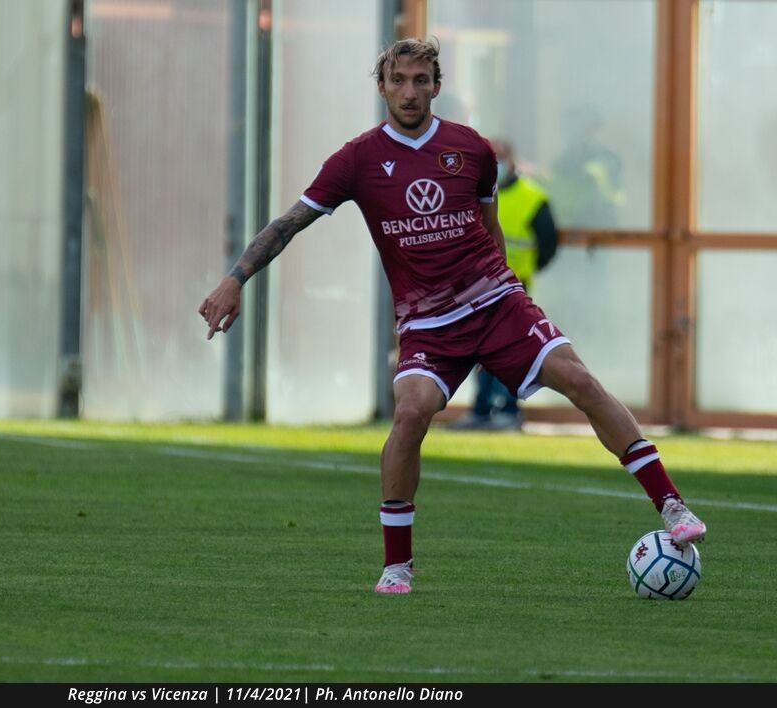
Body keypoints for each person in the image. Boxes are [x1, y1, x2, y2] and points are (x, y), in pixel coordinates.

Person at [198, 38, 706, 595]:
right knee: (411, 412)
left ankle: (672, 506)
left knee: (580, 379)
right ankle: (397, 566)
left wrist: (506, 289)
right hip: (428, 323)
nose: (410, 92)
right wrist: (234, 278)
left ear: (437, 86)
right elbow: (290, 221)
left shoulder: (472, 149)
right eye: (399, 80)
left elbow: (489, 227)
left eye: (421, 80)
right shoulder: (356, 160)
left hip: (495, 302)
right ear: (382, 87)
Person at [452, 139, 558, 430]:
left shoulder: (531, 197)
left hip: (513, 282)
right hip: (477, 283)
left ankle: (508, 410)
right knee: (481, 349)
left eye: (500, 157)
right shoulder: (473, 191)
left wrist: (530, 268)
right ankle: (483, 408)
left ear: (511, 160)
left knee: (510, 346)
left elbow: (548, 240)